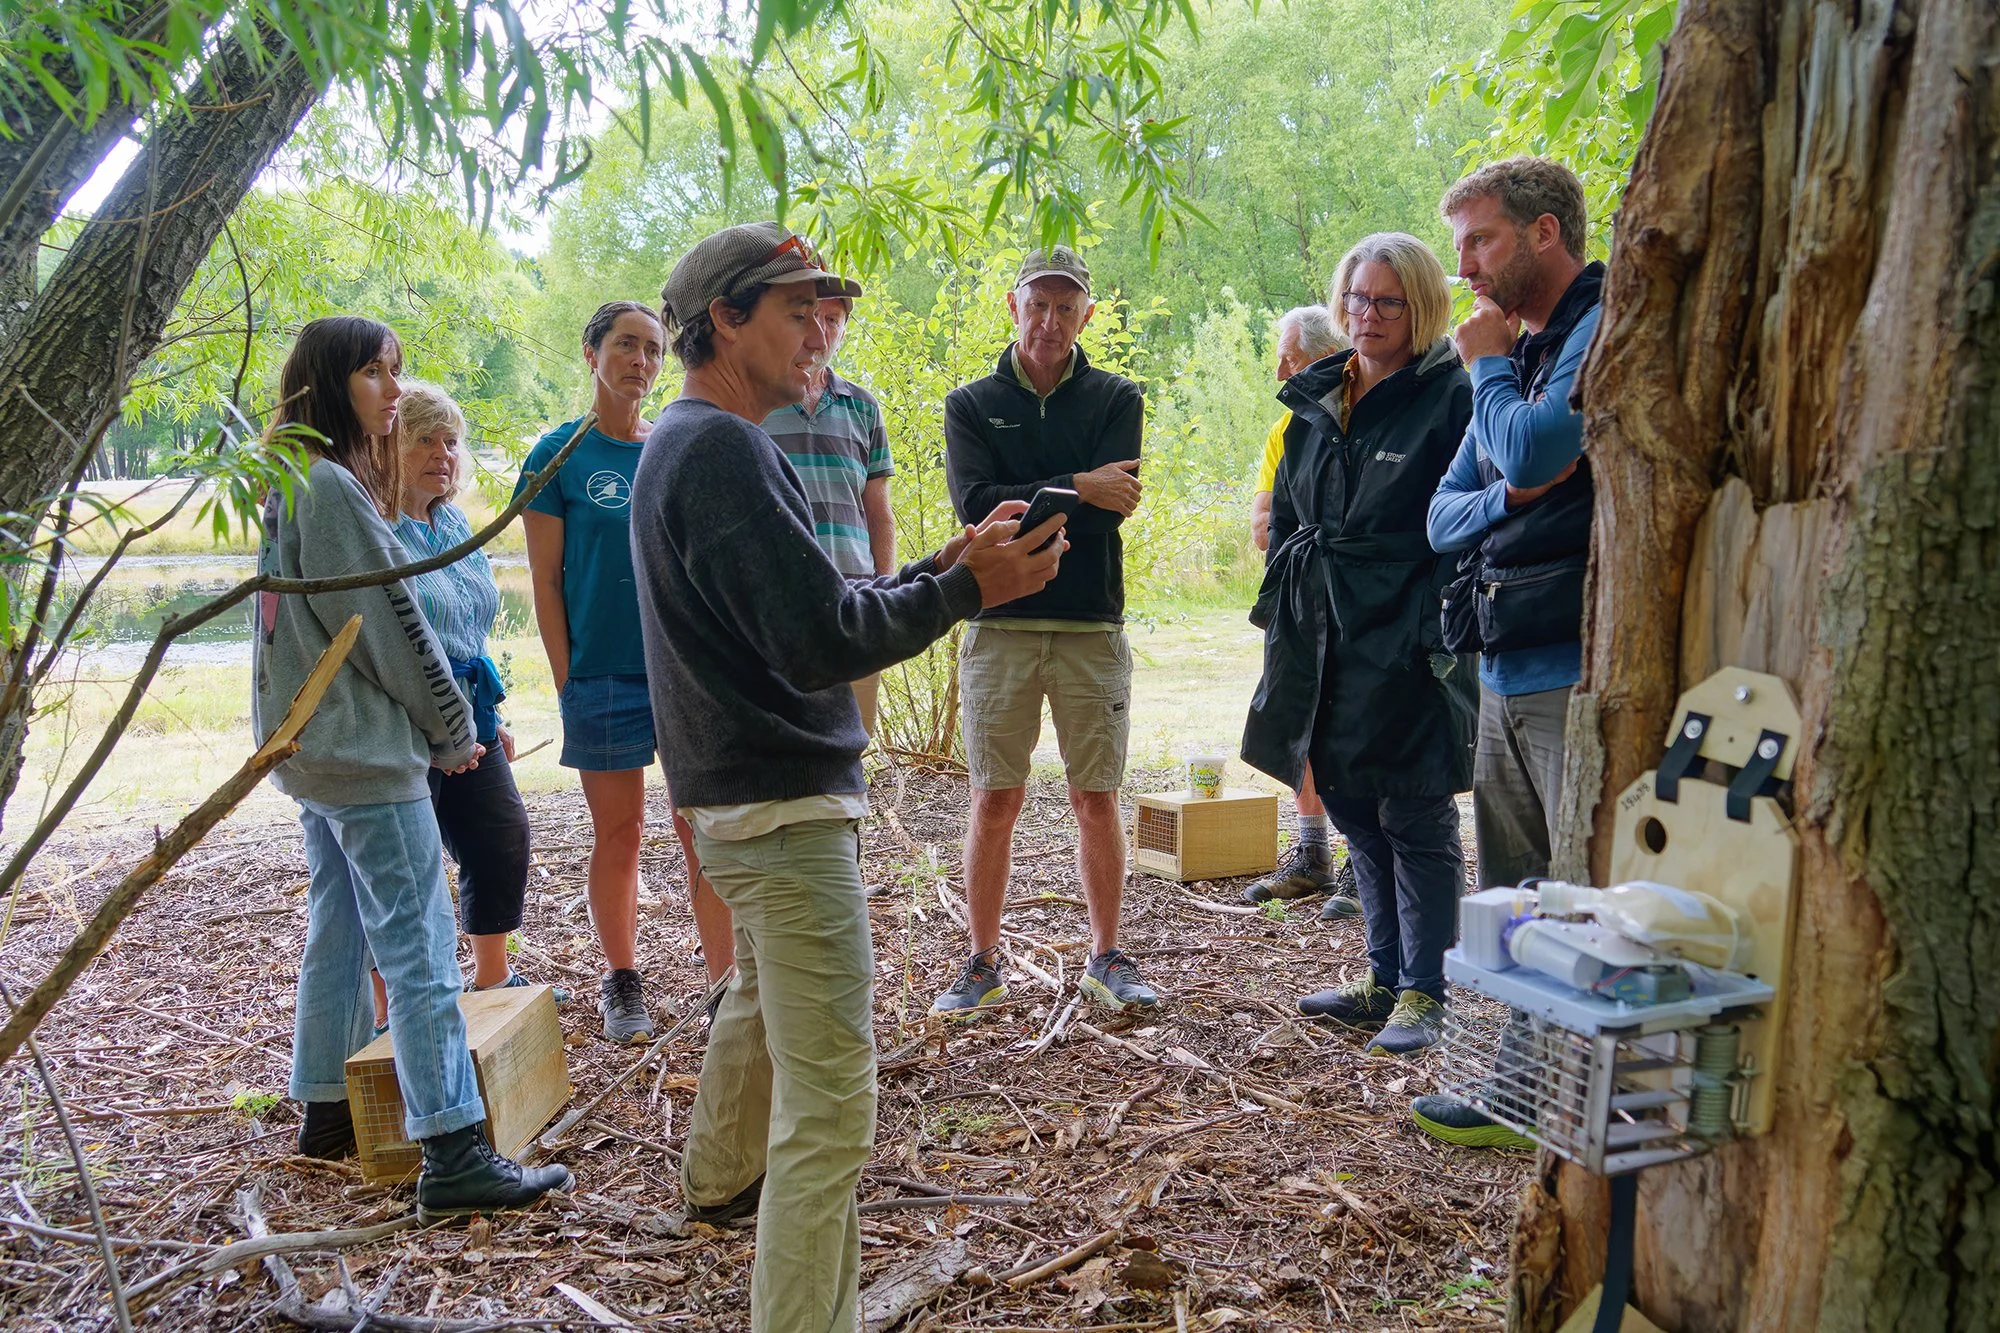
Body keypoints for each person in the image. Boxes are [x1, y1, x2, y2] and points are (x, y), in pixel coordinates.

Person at [629, 220, 1065, 1333]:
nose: (818, 330)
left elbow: (809, 604)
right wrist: (969, 593)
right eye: (793, 309)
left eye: (826, 309)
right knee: (829, 1115)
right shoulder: (719, 447)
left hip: (744, 801)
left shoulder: (694, 441)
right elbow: (819, 640)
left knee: (760, 999)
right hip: (779, 808)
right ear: (723, 320)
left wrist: (942, 566)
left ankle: (716, 1180)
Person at [253, 316, 569, 1217]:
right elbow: (390, 627)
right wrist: (449, 726)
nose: (395, 392)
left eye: (397, 373)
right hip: (361, 748)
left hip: (313, 747)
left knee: (342, 922)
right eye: (376, 376)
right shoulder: (333, 490)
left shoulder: (287, 481)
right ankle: (453, 1147)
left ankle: (323, 1107)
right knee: (422, 942)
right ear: (329, 383)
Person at [1241, 234, 1475, 1058]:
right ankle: (1382, 976)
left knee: (1412, 809)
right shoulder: (1317, 396)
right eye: (1355, 300)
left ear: (1421, 308)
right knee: (1349, 803)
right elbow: (1295, 516)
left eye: (1386, 302)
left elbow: (1462, 524)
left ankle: (1425, 990)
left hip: (1407, 634)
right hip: (1322, 632)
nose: (1365, 316)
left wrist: (1437, 627)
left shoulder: (1449, 396)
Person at [1415, 157, 1602, 1143]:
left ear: (1540, 233)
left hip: (1570, 668)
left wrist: (1484, 366)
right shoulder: (1521, 361)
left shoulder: (1593, 327)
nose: (1466, 269)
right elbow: (1442, 514)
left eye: (1479, 241)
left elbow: (1537, 449)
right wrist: (1503, 496)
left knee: (1576, 893)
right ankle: (1522, 1095)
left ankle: (1586, 1098)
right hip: (1498, 660)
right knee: (1517, 895)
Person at [934, 244, 1158, 1018]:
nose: (1051, 320)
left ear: (1087, 314)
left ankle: (1107, 956)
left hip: (1090, 622)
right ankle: (981, 961)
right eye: (1039, 303)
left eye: (1068, 306)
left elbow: (1111, 507)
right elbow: (979, 508)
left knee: (1096, 795)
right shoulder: (970, 404)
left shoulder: (1117, 396)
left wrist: (1054, 499)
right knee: (994, 797)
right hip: (999, 625)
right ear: (1013, 305)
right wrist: (1077, 487)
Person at [517, 302, 731, 1043]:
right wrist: (566, 673)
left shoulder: (670, 444)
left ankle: (724, 986)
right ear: (591, 351)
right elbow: (544, 580)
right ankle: (622, 980)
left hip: (683, 672)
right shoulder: (557, 453)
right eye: (626, 345)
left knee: (697, 824)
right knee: (622, 830)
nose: (641, 360)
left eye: (653, 348)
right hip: (602, 675)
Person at [372, 383, 564, 1020]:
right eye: (422, 439)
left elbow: (472, 626)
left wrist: (490, 717)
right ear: (386, 445)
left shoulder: (451, 521)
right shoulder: (376, 524)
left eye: (450, 441)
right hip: (401, 710)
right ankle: (391, 1005)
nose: (440, 453)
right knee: (408, 859)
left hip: (470, 701)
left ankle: (490, 979)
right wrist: (439, 724)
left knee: (500, 834)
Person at [1242, 304, 1359, 917]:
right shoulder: (1288, 428)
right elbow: (1265, 524)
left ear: (1323, 354)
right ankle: (1314, 856)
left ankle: (1364, 864)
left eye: (1289, 355)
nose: (1281, 369)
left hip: (1355, 599)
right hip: (1295, 594)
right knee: (1298, 719)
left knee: (1358, 724)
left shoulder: (1368, 414)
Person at [759, 293, 897, 732]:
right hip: (779, 598)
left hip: (854, 595)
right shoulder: (760, 401)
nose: (821, 330)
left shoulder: (863, 406)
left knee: (854, 737)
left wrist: (886, 591)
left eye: (833, 319)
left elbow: (878, 512)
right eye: (811, 316)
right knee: (786, 739)